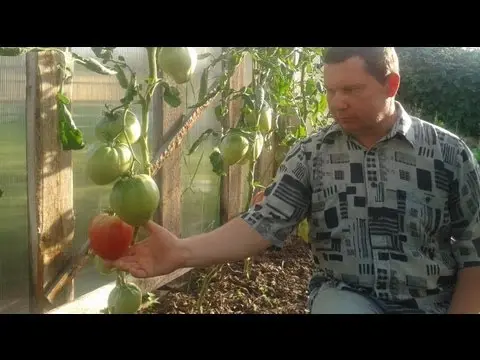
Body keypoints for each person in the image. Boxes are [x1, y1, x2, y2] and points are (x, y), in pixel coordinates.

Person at [105, 47, 480, 314]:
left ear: (391, 84)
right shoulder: (312, 153)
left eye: (351, 90)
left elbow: (473, 250)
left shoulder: (447, 153)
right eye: (331, 90)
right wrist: (182, 252)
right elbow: (263, 223)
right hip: (346, 296)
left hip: (432, 302)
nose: (337, 103)